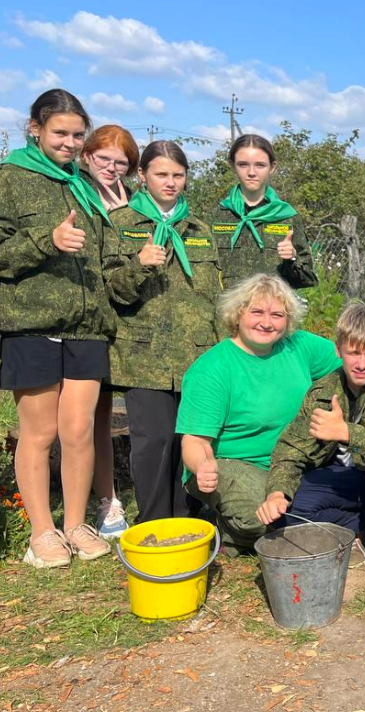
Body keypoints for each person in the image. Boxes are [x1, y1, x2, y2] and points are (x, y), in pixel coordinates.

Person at [0, 89, 116, 567]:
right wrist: (45, 240)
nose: (69, 143)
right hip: (32, 324)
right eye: (60, 133)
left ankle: (74, 524)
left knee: (79, 430)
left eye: (76, 134)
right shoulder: (10, 178)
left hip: (87, 326)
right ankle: (42, 533)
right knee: (40, 431)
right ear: (35, 129)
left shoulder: (84, 186)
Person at [259, 303, 365, 597]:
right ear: (339, 350)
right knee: (289, 513)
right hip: (346, 479)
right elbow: (290, 449)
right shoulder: (323, 390)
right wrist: (277, 493)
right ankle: (360, 527)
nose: (361, 363)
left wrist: (344, 432)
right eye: (353, 352)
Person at [176, 274, 341, 554]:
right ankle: (230, 530)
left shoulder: (299, 346)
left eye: (277, 314)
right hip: (234, 461)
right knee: (270, 518)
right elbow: (195, 442)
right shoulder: (212, 369)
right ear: (237, 314)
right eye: (257, 312)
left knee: (312, 507)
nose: (267, 322)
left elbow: (353, 359)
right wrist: (202, 467)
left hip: (292, 462)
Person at [106, 141, 221, 523]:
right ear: (142, 176)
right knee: (153, 442)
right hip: (144, 356)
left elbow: (215, 298)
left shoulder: (199, 229)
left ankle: (189, 521)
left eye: (178, 174)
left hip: (197, 355)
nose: (170, 182)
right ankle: (154, 524)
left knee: (190, 439)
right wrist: (139, 266)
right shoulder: (120, 223)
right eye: (161, 174)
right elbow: (112, 291)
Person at [80, 124, 140, 539]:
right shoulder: (75, 196)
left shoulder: (135, 203)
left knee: (116, 416)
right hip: (87, 321)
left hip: (126, 324)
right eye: (105, 159)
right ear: (87, 157)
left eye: (122, 163)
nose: (113, 169)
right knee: (89, 417)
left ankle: (117, 496)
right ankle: (100, 501)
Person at [210, 134, 317, 289]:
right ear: (232, 166)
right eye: (243, 165)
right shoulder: (216, 217)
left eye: (260, 165)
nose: (251, 172)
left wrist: (292, 258)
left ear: (272, 167)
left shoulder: (286, 216)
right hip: (229, 312)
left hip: (271, 310)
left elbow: (307, 279)